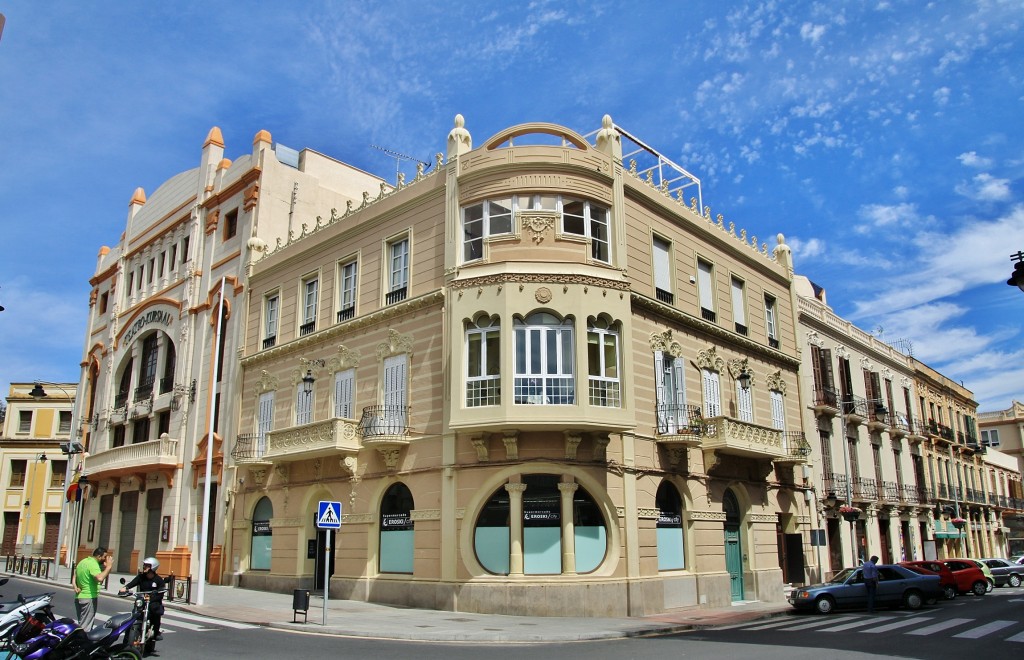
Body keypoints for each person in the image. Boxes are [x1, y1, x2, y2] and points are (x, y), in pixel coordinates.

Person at [119, 557, 166, 641]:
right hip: (142, 601)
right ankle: (127, 639)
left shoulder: (159, 580)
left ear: (153, 567)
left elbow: (161, 593)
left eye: (147, 566)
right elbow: (132, 583)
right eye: (144, 565)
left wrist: (153, 596)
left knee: (156, 611)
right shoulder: (141, 577)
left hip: (152, 602)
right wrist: (125, 588)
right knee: (133, 616)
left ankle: (156, 632)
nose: (144, 567)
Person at [74, 546, 113, 631]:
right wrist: (108, 567)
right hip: (89, 597)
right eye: (104, 557)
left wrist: (76, 587)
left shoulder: (82, 562)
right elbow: (100, 578)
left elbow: (74, 577)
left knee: (82, 623)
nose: (105, 559)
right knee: (85, 628)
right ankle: (81, 643)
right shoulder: (93, 564)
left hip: (79, 597)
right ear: (99, 556)